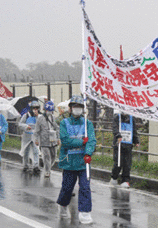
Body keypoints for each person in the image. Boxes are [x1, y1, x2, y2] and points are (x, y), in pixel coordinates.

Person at [56, 95, 96, 224]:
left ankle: (85, 212)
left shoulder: (87, 124)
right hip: (69, 162)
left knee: (85, 187)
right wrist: (81, 142)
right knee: (67, 188)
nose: (77, 109)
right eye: (75, 107)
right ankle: (62, 205)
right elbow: (65, 141)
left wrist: (88, 152)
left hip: (83, 161)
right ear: (70, 108)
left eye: (79, 107)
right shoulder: (64, 123)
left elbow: (91, 140)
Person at [109, 110, 140, 188]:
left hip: (128, 144)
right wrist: (118, 135)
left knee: (127, 164)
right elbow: (114, 128)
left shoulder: (131, 118)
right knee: (118, 163)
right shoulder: (117, 117)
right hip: (119, 144)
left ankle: (125, 180)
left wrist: (136, 140)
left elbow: (133, 130)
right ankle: (114, 177)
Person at [34, 101, 60, 178]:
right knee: (46, 156)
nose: (50, 112)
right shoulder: (40, 119)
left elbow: (57, 128)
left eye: (51, 111)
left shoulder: (53, 118)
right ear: (45, 110)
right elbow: (36, 131)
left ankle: (47, 166)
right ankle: (47, 171)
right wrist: (36, 139)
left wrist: (58, 138)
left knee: (53, 156)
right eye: (48, 111)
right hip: (44, 141)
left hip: (53, 140)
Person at [18, 100, 41, 174]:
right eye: (34, 108)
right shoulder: (26, 115)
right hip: (27, 136)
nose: (35, 110)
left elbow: (41, 125)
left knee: (36, 151)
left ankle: (36, 166)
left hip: (35, 137)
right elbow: (20, 124)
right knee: (26, 151)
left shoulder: (40, 117)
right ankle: (25, 165)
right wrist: (26, 126)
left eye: (37, 108)